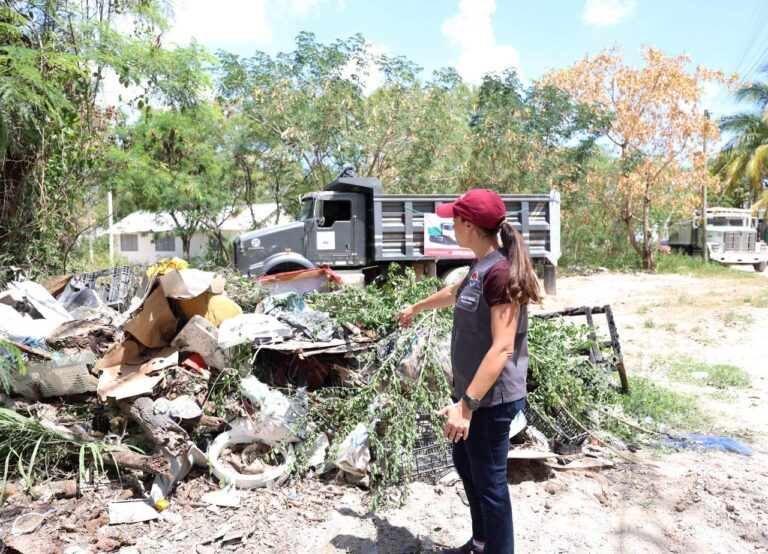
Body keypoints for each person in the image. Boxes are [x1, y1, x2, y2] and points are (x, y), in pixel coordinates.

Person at [394, 189, 542, 554]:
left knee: (490, 484)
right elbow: (454, 292)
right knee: (467, 466)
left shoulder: (501, 273)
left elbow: (503, 347)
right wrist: (416, 307)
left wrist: (467, 406)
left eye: (454, 221)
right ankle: (480, 542)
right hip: (470, 395)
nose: (451, 226)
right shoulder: (481, 265)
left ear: (470, 225)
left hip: (489, 400)